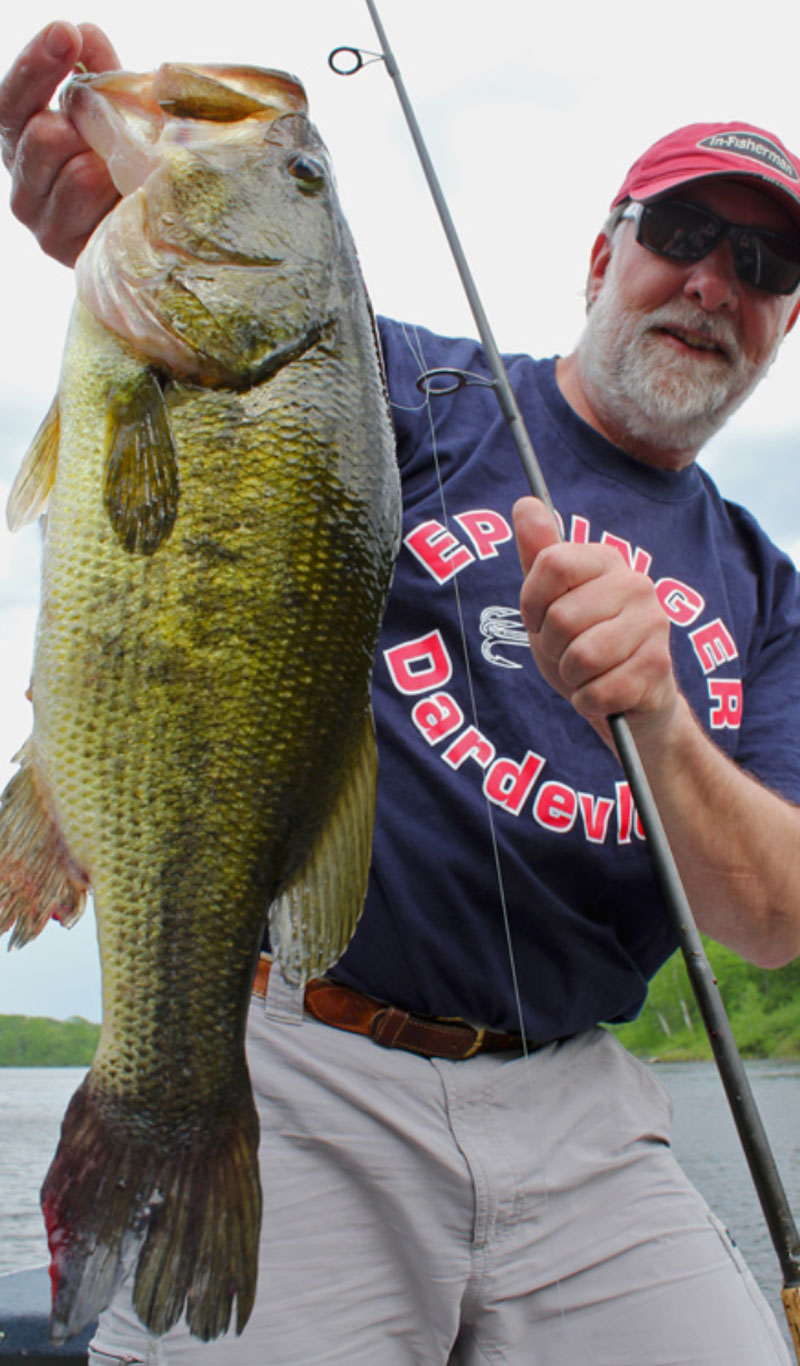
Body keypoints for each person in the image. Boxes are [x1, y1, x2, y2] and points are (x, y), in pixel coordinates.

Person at [3, 21, 800, 1366]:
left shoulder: (770, 589)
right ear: (606, 255)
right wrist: (118, 196)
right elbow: (228, 333)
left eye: (767, 264)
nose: (716, 282)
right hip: (301, 1059)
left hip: (588, 1121)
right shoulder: (401, 389)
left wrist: (660, 714)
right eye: (684, 232)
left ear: (784, 323)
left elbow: (775, 912)